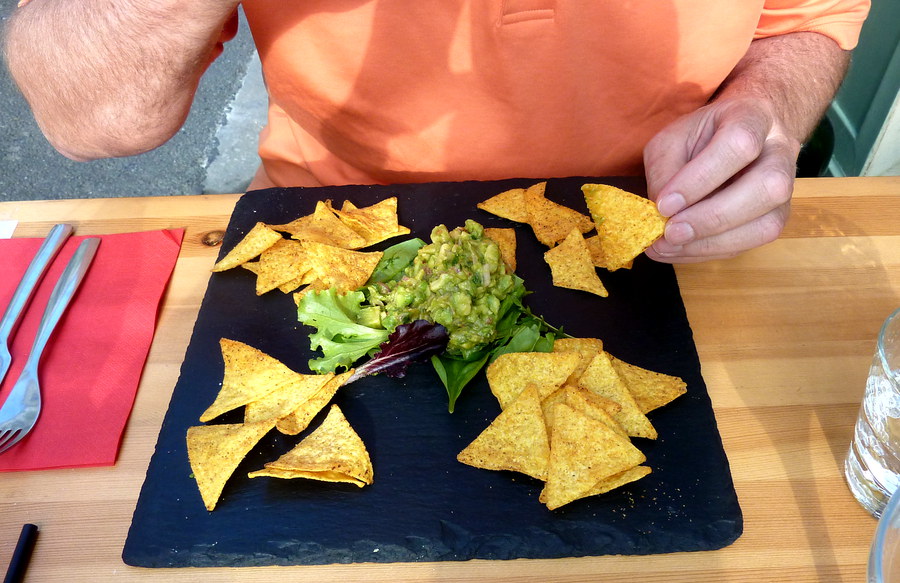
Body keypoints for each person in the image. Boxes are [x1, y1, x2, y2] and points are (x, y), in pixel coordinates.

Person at [4, 1, 870, 263]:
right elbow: (83, 115)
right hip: (330, 236)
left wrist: (768, 108)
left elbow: (809, 20)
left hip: (662, 237)